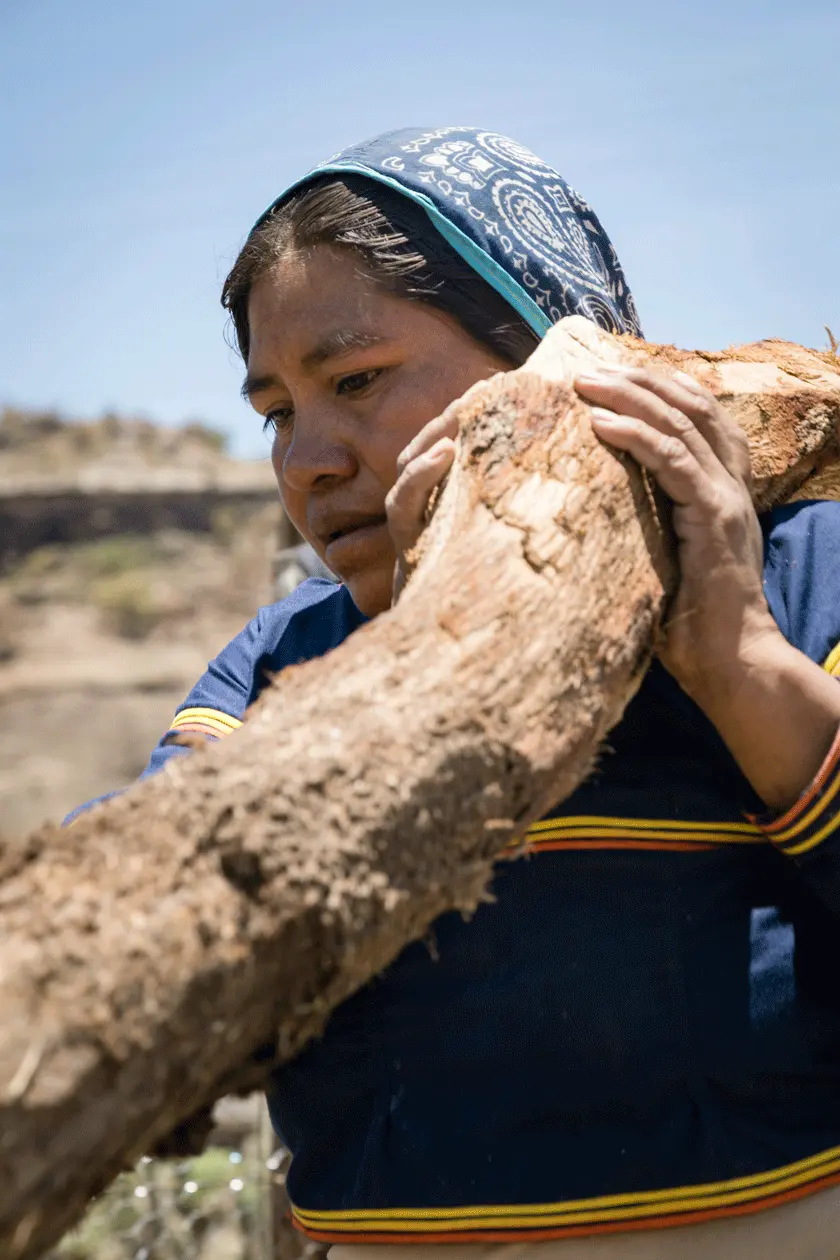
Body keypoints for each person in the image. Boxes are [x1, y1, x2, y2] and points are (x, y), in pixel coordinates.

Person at [69, 128, 840, 1258]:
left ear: (554, 358)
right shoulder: (289, 659)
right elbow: (136, 897)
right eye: (277, 410)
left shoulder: (799, 574)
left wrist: (737, 661)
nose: (306, 460)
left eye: (356, 382)